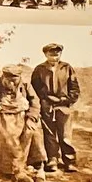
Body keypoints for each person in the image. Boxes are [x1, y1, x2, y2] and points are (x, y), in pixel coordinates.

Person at [0, 64, 43, 182]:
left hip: (22, 117)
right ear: (3, 77)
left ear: (19, 78)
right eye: (9, 81)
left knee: (32, 132)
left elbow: (35, 103)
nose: (12, 84)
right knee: (8, 137)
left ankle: (35, 167)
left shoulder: (26, 85)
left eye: (15, 80)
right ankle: (14, 171)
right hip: (1, 119)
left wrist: (31, 118)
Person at [29, 42, 79, 172]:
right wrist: (46, 98)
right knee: (49, 134)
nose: (54, 57)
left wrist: (67, 100)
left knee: (65, 134)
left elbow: (74, 88)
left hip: (64, 106)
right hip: (47, 105)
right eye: (51, 54)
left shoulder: (67, 68)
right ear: (46, 54)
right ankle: (52, 160)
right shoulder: (39, 69)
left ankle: (69, 161)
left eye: (57, 54)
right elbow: (35, 88)